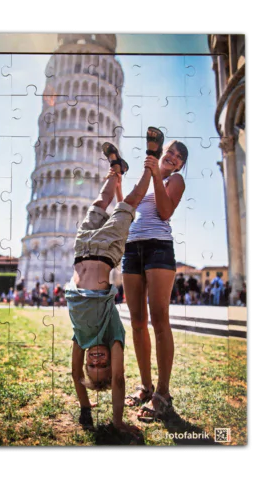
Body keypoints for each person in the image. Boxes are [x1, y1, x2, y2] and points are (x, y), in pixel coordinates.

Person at [65, 134, 157, 436]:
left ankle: (115, 170)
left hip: (82, 248)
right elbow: (118, 380)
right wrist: (117, 422)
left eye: (91, 366)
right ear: (111, 363)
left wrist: (85, 408)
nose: (96, 361)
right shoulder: (114, 335)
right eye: (102, 365)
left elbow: (75, 374)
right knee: (127, 204)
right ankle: (151, 161)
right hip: (106, 251)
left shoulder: (82, 339)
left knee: (98, 203)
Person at [122, 127, 189, 420]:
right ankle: (146, 386)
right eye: (170, 151)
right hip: (131, 249)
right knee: (137, 322)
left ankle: (163, 393)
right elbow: (127, 205)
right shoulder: (147, 175)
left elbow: (164, 212)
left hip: (159, 248)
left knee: (159, 319)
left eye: (179, 156)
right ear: (162, 152)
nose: (173, 156)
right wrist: (143, 172)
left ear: (180, 165)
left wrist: (157, 177)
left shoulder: (176, 180)